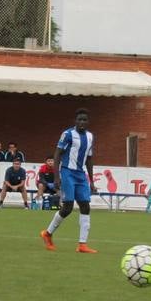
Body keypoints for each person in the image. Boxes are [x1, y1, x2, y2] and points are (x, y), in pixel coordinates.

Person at [41, 109, 98, 254]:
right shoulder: (67, 134)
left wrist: (91, 181)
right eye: (79, 119)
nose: (82, 122)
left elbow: (89, 159)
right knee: (68, 207)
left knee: (85, 206)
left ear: (88, 122)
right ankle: (47, 234)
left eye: (85, 120)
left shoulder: (90, 137)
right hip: (67, 172)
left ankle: (82, 245)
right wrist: (56, 177)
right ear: (75, 121)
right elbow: (57, 154)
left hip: (81, 175)